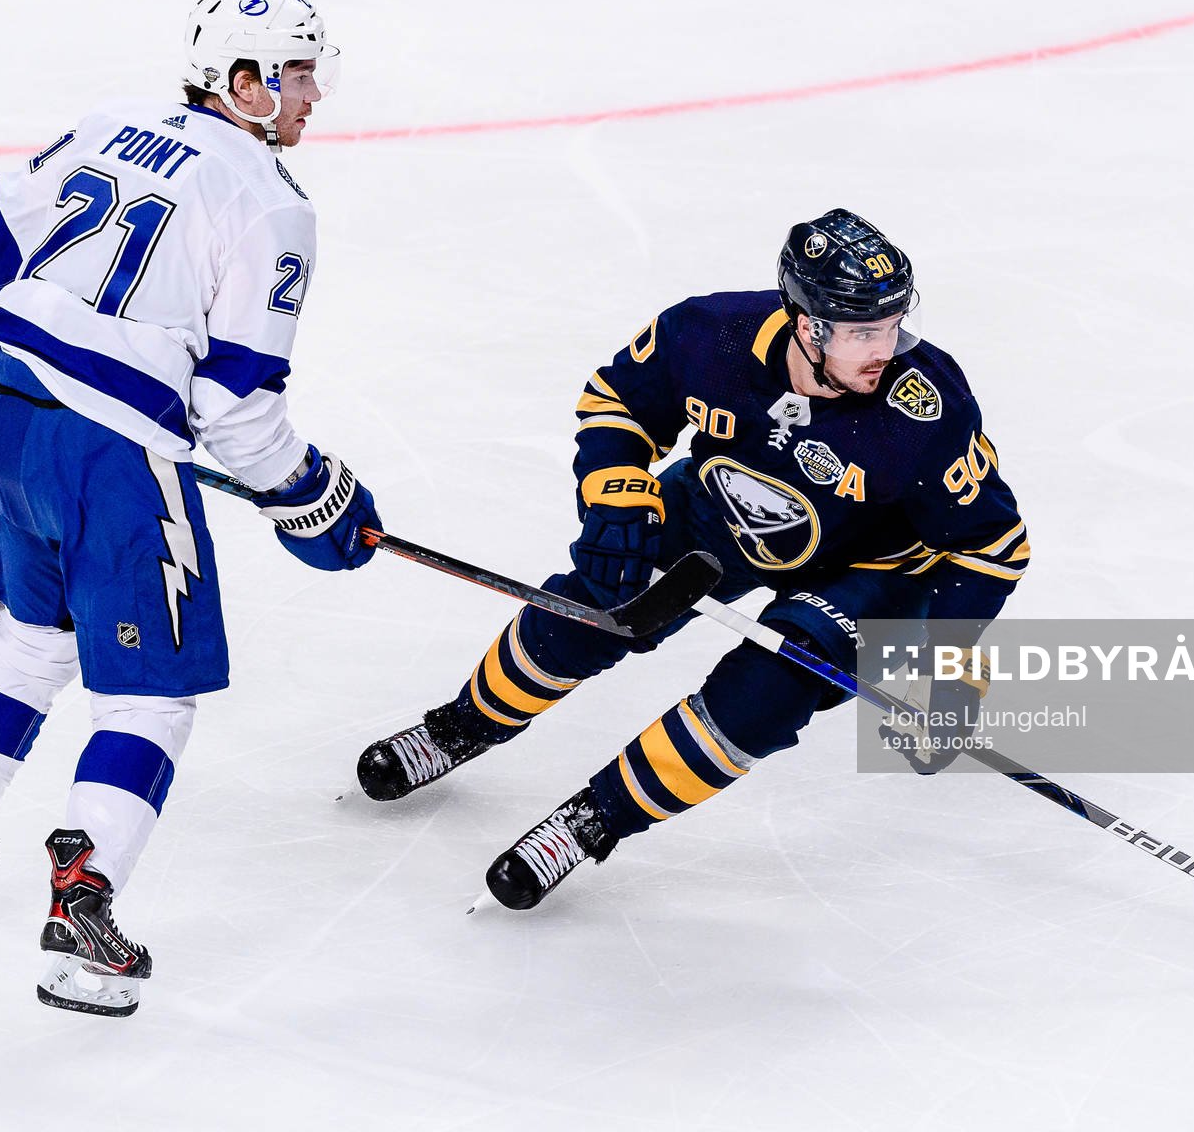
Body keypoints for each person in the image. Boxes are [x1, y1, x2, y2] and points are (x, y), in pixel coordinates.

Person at [0, 0, 381, 1016]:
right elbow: (235, 406)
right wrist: (313, 496)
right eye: (296, 76)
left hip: (7, 419)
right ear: (244, 85)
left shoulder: (110, 124)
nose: (311, 97)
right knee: (150, 691)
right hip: (108, 458)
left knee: (32, 631)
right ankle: (84, 905)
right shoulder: (273, 204)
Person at [356, 209, 1028, 909]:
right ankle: (460, 728)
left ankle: (590, 823)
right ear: (808, 324)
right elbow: (619, 399)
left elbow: (991, 543)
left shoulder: (926, 409)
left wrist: (944, 657)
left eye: (892, 325)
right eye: (863, 330)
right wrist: (617, 496)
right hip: (727, 505)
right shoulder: (714, 334)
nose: (884, 347)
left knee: (767, 695)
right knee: (593, 603)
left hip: (867, 567)